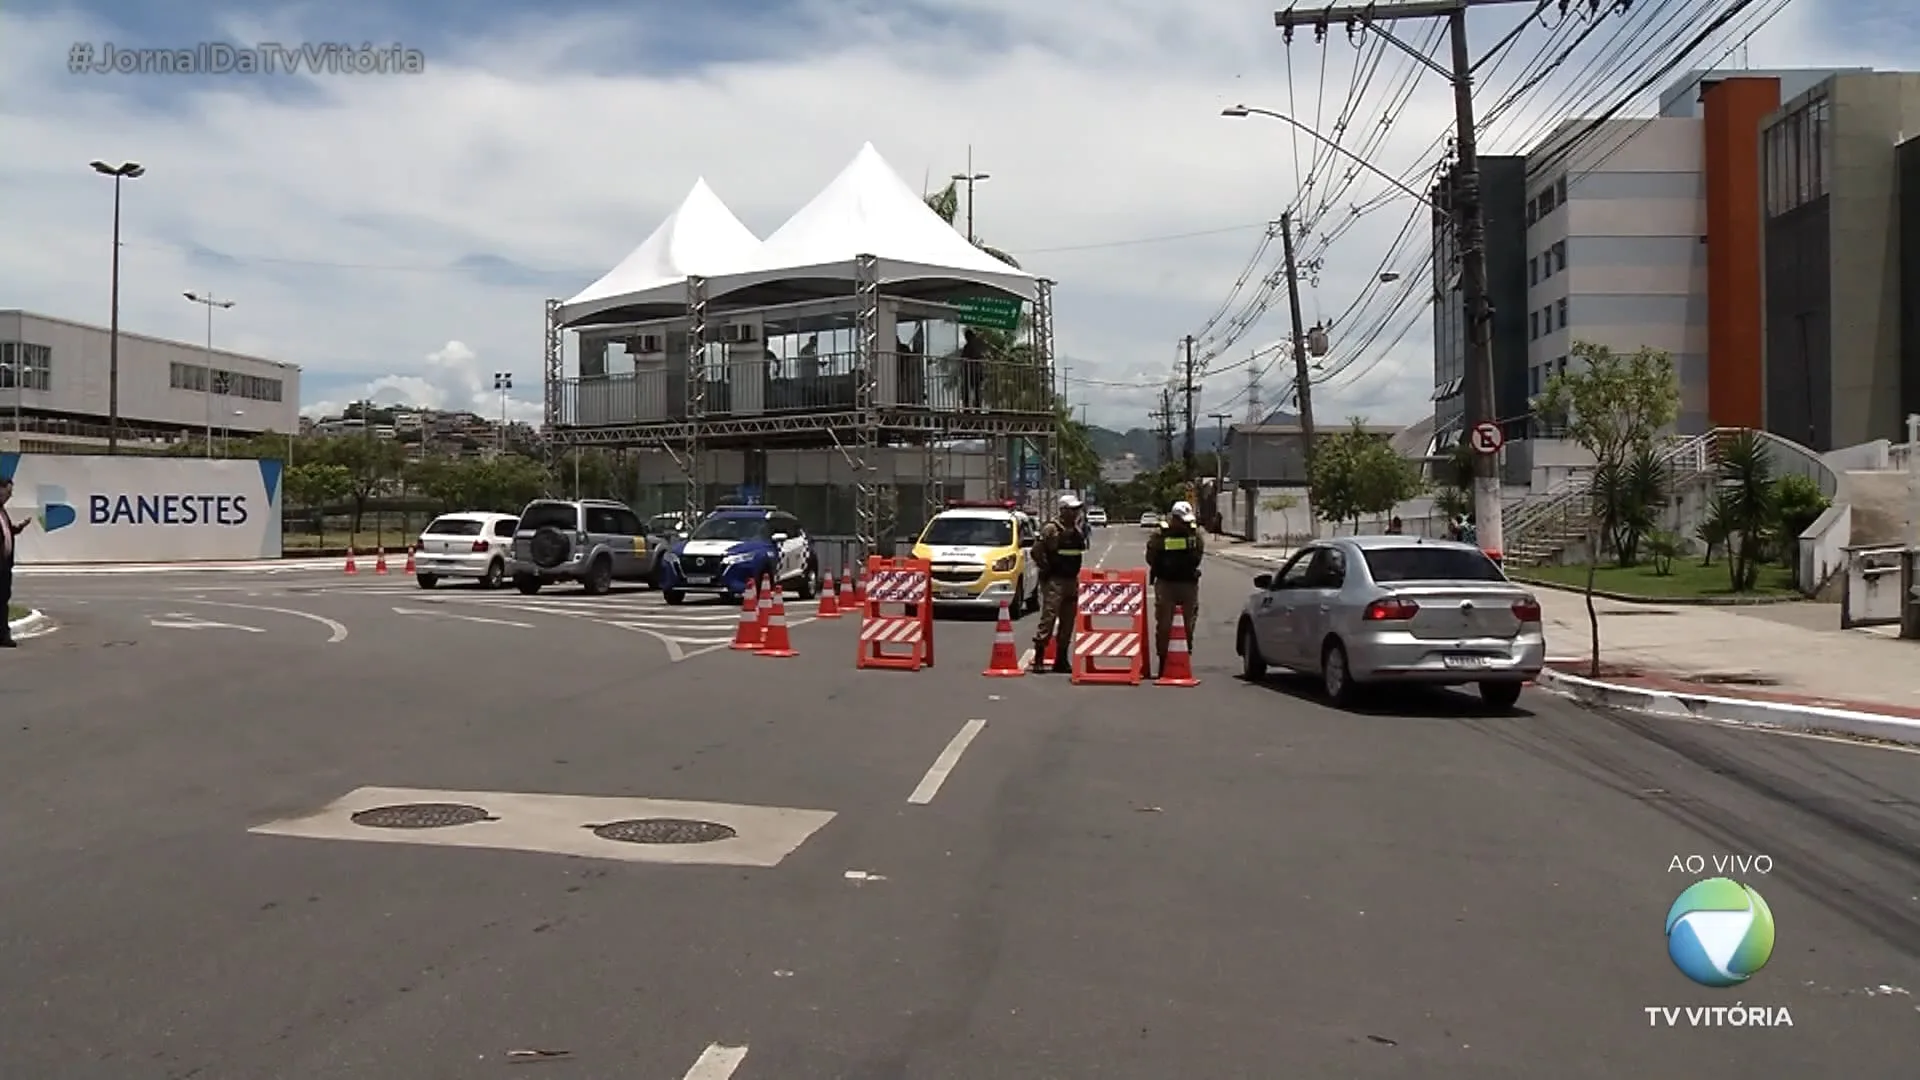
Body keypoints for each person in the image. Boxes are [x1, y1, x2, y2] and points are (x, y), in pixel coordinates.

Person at [1145, 499, 1205, 679]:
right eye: (1181, 520)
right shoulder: (1160, 534)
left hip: (1188, 584)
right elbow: (1151, 557)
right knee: (1164, 624)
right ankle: (1163, 661)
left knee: (1188, 624)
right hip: (1166, 583)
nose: (1185, 524)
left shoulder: (1195, 534)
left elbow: (1198, 555)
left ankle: (1183, 660)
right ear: (1174, 518)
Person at [1029, 493, 1088, 673]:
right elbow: (1036, 551)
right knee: (1049, 617)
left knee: (1068, 621)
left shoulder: (1077, 529)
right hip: (1055, 580)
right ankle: (1039, 655)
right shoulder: (1051, 529)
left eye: (1077, 509)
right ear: (1063, 511)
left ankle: (1061, 659)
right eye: (1072, 510)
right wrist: (1046, 568)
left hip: (1071, 580)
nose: (1076, 513)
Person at [0, 476, 19, 648]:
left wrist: (17, 529)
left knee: (3, 600)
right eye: (8, 491)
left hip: (5, 566)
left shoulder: (2, 511)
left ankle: (3, 635)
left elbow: (6, 532)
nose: (10, 495)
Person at [959, 328, 989, 411]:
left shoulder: (970, 345)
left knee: (970, 390)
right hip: (975, 372)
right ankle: (976, 407)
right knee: (976, 391)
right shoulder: (976, 345)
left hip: (972, 372)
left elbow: (964, 358)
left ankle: (968, 407)